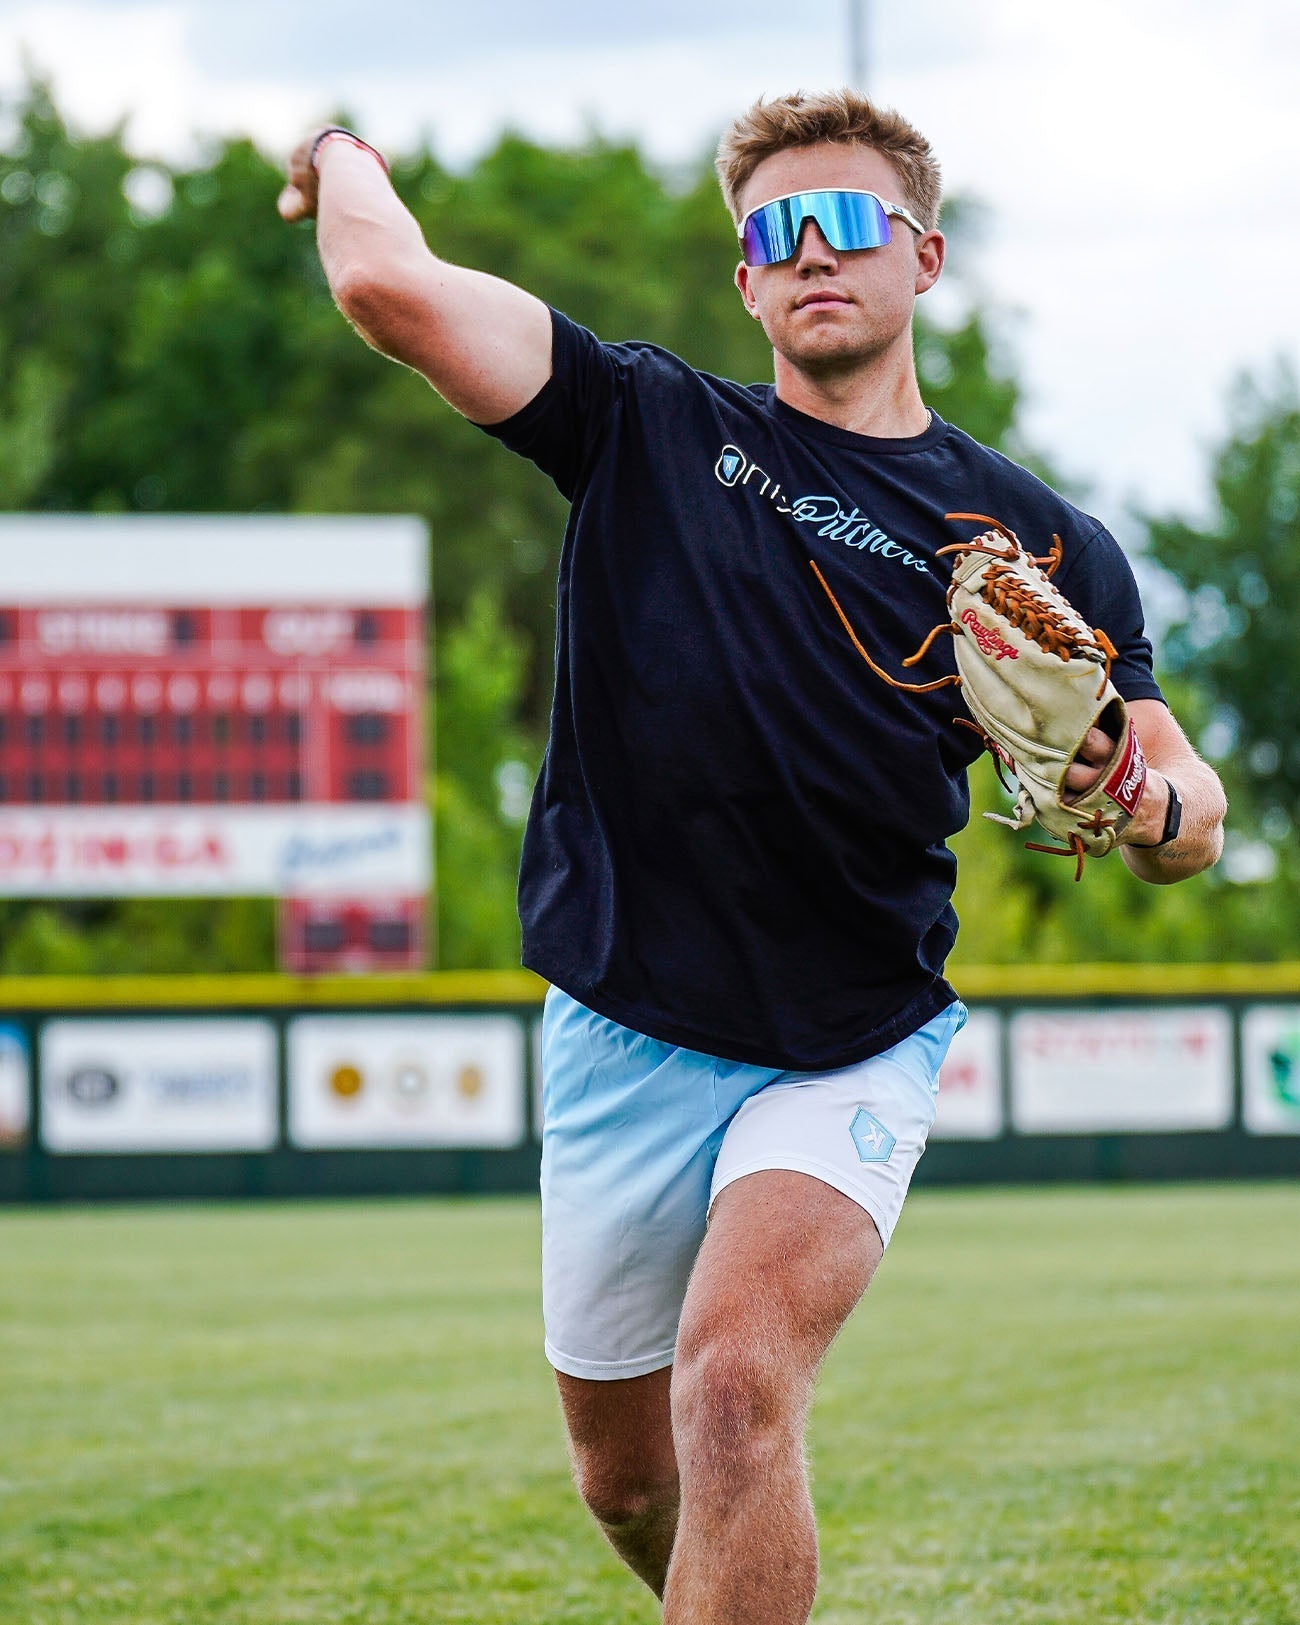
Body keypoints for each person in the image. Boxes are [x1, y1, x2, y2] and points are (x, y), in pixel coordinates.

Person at [279, 91, 1227, 1624]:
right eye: (771, 235)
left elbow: (1186, 798)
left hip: (848, 1040)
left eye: (844, 221)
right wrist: (340, 158)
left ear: (923, 256)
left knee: (733, 1380)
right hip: (620, 1023)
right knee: (632, 1480)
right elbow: (389, 290)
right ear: (744, 283)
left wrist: (1154, 804)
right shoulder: (644, 420)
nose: (809, 255)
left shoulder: (1041, 541)